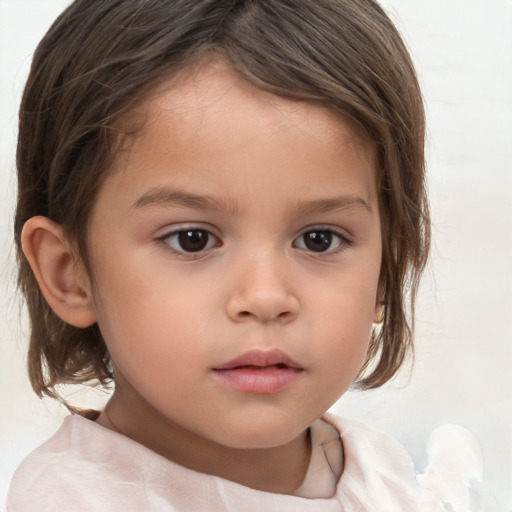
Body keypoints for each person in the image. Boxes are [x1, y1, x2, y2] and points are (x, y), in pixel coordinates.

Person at [6, 0, 483, 510]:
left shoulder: (384, 473)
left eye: (319, 239)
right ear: (69, 273)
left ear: (389, 266)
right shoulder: (74, 500)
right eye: (192, 239)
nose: (265, 297)